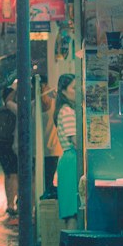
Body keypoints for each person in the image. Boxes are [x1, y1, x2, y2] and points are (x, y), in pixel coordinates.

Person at [53, 73, 79, 230]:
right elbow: (76, 141)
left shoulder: (66, 110)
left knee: (72, 212)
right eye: (74, 88)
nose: (77, 91)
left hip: (69, 161)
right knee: (73, 213)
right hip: (71, 162)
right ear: (63, 91)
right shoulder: (67, 111)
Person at [0, 84, 19, 218]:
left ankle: (9, 203)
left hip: (2, 144)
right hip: (11, 143)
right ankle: (12, 203)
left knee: (8, 175)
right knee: (14, 174)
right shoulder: (14, 110)